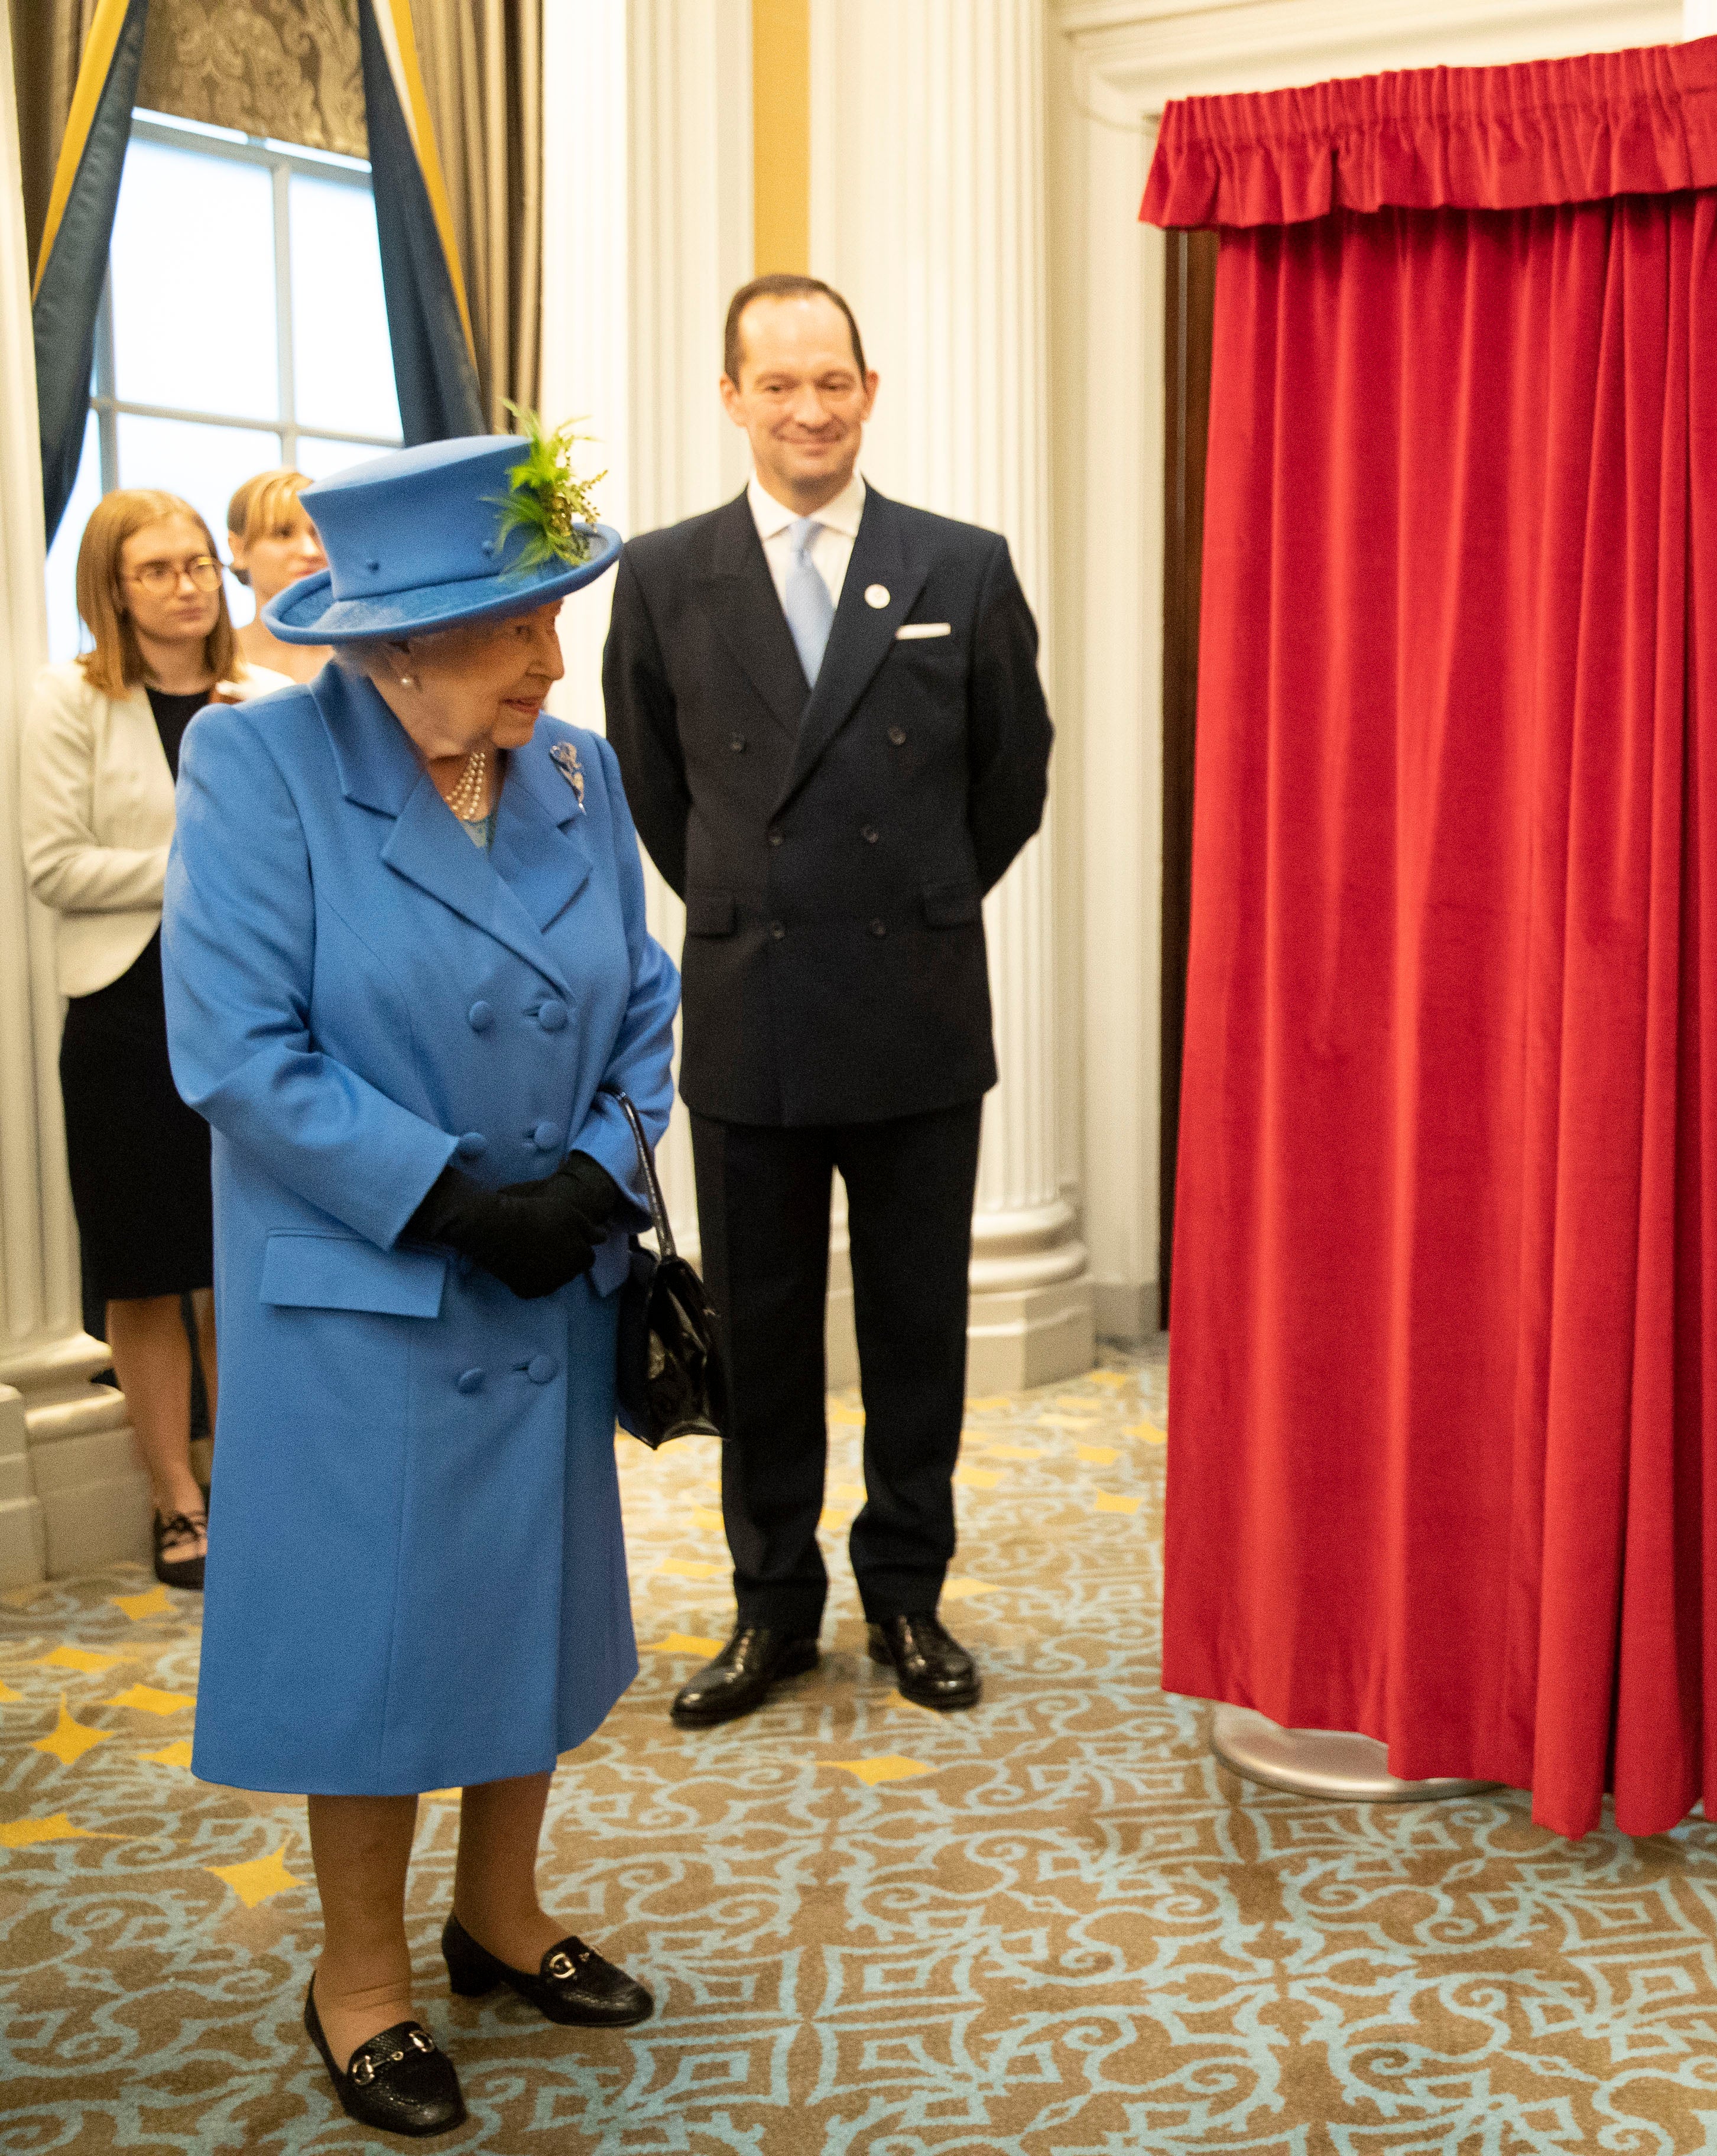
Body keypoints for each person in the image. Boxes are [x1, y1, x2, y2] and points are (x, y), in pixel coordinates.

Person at [163, 430, 679, 2137]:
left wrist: (600, 1169)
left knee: (525, 1610)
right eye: (518, 624)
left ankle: (502, 1914)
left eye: (555, 617)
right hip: (375, 1290)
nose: (552, 656)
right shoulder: (259, 775)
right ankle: (362, 1975)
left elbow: (650, 1005)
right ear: (392, 646)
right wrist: (453, 1195)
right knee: (380, 1647)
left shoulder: (580, 776)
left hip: (548, 1279)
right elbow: (236, 1053)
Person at [605, 275, 1051, 1726]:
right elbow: (658, 791)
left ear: (870, 390)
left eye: (834, 382)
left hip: (918, 1002)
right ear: (729, 398)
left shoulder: (959, 566)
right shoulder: (663, 576)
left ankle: (907, 1595)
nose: (810, 408)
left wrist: (913, 896)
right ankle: (771, 1609)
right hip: (753, 1005)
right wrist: (749, 900)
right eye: (778, 385)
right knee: (763, 1329)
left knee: (919, 1327)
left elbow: (1011, 778)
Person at [18, 492, 285, 1588]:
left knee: (239, 1264)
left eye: (196, 565)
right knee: (145, 1269)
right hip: (125, 1014)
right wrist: (194, 865)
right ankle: (178, 1502)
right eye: (156, 570)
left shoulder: (262, 696)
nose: (187, 585)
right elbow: (54, 865)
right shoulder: (68, 701)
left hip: (249, 1006)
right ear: (111, 589)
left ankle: (256, 1482)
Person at [224, 468, 330, 684]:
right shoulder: (215, 660)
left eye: (318, 532)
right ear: (238, 549)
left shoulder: (366, 655)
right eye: (283, 533)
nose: (311, 551)